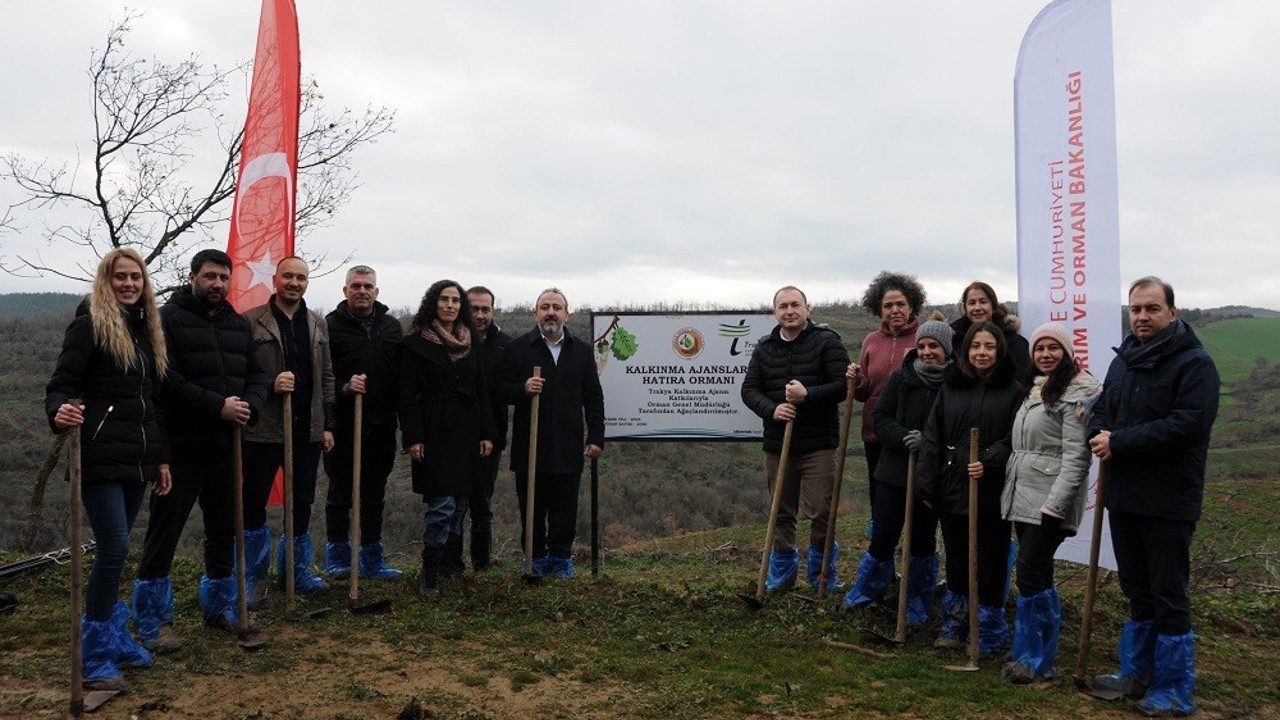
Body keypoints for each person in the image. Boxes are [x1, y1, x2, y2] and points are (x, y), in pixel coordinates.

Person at [1088, 277, 1219, 716]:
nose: (1142, 316)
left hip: (1168, 500)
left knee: (1168, 594)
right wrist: (1097, 433)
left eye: (1152, 308)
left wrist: (1119, 442)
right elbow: (1102, 410)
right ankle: (1137, 672)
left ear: (1172, 313)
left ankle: (1175, 688)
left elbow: (1188, 426)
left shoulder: (1194, 364)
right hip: (1123, 495)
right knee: (1137, 590)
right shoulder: (1123, 361)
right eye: (1136, 309)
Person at [46, 248, 172, 692]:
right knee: (114, 548)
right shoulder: (89, 326)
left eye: (135, 277)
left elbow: (152, 403)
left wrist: (161, 458)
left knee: (118, 550)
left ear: (144, 283)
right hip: (99, 456)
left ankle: (114, 637)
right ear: (106, 280)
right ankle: (95, 652)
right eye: (120, 277)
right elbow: (61, 384)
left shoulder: (147, 330)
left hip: (137, 459)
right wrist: (59, 410)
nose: (128, 284)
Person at [133, 249, 268, 649]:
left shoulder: (237, 324)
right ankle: (153, 621)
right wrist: (217, 406)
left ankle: (220, 607)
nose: (217, 284)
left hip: (227, 446)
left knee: (223, 528)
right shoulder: (167, 319)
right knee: (165, 531)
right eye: (210, 276)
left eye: (224, 278)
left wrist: (251, 406)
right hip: (180, 447)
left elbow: (258, 374)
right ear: (192, 277)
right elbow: (165, 378)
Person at [1000, 322, 1100, 684]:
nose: (1045, 354)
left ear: (1067, 353)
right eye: (1039, 349)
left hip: (1048, 500)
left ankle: (1036, 660)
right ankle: (1034, 648)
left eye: (1053, 348)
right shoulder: (1036, 389)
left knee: (1029, 574)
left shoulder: (1075, 394)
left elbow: (1076, 458)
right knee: (1039, 575)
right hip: (1023, 495)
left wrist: (1055, 505)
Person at [917, 320, 1022, 656]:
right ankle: (955, 622)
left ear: (999, 351)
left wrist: (989, 460)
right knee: (958, 557)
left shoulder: (1013, 391)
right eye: (976, 346)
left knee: (992, 561)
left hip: (993, 491)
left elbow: (1016, 437)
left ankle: (988, 629)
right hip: (952, 486)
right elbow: (932, 436)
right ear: (966, 351)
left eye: (989, 346)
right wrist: (927, 485)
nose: (981, 352)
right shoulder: (951, 388)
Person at [741, 286, 851, 592]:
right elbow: (749, 390)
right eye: (783, 306)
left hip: (818, 445)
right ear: (774, 312)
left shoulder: (827, 342)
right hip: (779, 445)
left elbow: (843, 386)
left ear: (807, 308)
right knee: (781, 511)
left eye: (795, 305)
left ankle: (821, 577)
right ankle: (782, 577)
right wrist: (773, 409)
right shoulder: (765, 348)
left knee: (821, 511)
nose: (789, 311)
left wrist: (807, 395)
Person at [241, 256, 336, 602]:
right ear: (276, 280)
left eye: (301, 278)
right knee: (254, 502)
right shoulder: (252, 321)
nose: (294, 283)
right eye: (288, 276)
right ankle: (253, 578)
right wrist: (270, 385)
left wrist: (328, 424)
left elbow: (327, 376)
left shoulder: (316, 323)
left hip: (306, 430)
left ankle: (295, 573)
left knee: (302, 502)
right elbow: (239, 373)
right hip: (263, 430)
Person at [843, 317, 950, 618]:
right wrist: (904, 438)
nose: (927, 352)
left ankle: (916, 600)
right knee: (883, 536)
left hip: (930, 477)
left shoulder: (954, 385)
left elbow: (958, 427)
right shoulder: (901, 379)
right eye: (922, 345)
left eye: (934, 346)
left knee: (922, 540)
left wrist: (927, 442)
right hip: (893, 472)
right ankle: (868, 592)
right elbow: (881, 418)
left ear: (947, 350)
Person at [496, 288, 605, 579]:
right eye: (545, 307)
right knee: (531, 507)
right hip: (530, 446)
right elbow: (499, 390)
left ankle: (560, 558)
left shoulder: (582, 351)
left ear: (567, 314)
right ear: (535, 314)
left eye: (557, 307)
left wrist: (596, 436)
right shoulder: (517, 348)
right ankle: (534, 558)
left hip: (569, 445)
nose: (551, 312)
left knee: (564, 509)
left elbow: (593, 396)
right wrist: (522, 388)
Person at [399, 280, 496, 600]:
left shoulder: (472, 341)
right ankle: (429, 573)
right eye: (444, 299)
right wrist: (413, 437)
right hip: (434, 430)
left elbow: (482, 390)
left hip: (467, 430)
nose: (450, 305)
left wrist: (487, 432)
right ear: (433, 302)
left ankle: (448, 566)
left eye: (455, 300)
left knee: (460, 506)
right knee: (441, 506)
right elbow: (407, 395)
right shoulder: (415, 342)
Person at [323, 265, 403, 580]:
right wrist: (344, 387)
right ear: (345, 291)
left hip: (382, 426)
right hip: (343, 425)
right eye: (355, 286)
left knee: (374, 492)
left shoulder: (391, 327)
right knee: (340, 492)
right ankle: (338, 558)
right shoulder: (329, 326)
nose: (362, 291)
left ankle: (371, 558)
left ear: (376, 291)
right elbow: (321, 377)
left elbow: (402, 378)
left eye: (368, 286)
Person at [848, 271, 926, 531]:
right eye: (888, 305)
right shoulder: (871, 341)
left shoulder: (923, 338)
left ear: (912, 305)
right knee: (879, 495)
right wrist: (856, 380)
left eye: (900, 304)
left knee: (915, 497)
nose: (895, 310)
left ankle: (917, 551)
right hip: (876, 433)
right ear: (879, 309)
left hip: (911, 434)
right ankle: (882, 552)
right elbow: (863, 392)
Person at [463, 285, 513, 572]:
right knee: (453, 505)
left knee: (482, 504)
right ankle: (450, 566)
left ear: (493, 310)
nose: (480, 315)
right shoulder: (450, 340)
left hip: (491, 439)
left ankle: (481, 567)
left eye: (485, 309)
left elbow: (508, 391)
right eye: (474, 309)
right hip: (454, 435)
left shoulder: (506, 345)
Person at [950, 281, 1031, 378]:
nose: (977, 307)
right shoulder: (954, 341)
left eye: (983, 302)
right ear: (965, 308)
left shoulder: (1015, 342)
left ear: (993, 307)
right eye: (972, 303)